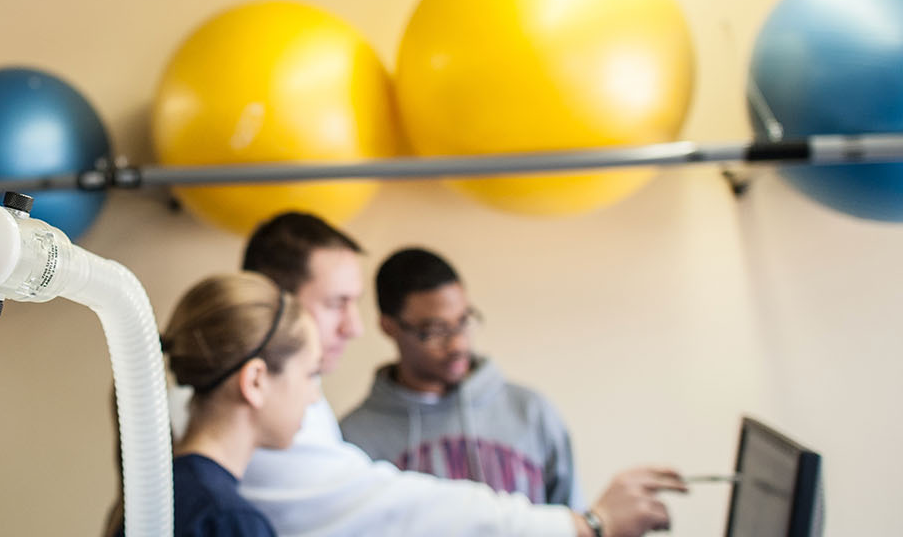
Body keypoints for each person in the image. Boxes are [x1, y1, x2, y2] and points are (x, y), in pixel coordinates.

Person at [233, 212, 684, 537]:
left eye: (463, 323)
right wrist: (587, 526)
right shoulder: (267, 414)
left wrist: (584, 524)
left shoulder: (531, 411)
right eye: (337, 304)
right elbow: (396, 512)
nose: (354, 327)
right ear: (275, 303)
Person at [340, 247, 583, 508]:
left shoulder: (531, 412)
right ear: (389, 327)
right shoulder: (354, 441)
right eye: (435, 330)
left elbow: (576, 521)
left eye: (463, 321)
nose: (457, 343)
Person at [114, 272, 322, 536]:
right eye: (311, 374)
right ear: (255, 381)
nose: (314, 396)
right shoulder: (227, 520)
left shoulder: (161, 496)